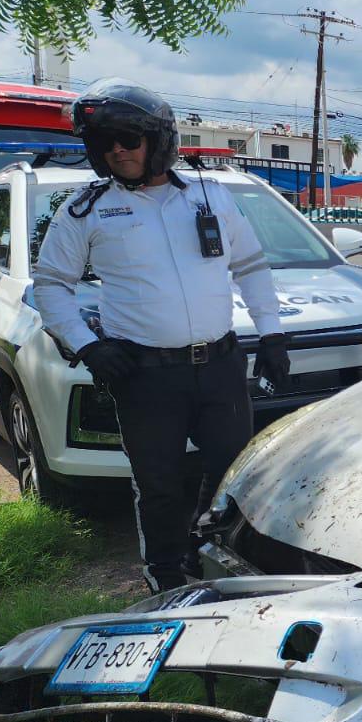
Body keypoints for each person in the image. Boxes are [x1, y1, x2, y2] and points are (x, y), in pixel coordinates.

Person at [32, 79, 291, 591]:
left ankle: (212, 555)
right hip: (145, 378)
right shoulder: (86, 211)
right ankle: (165, 578)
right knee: (159, 486)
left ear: (159, 139)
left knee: (231, 477)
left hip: (219, 368)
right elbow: (51, 286)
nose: (117, 150)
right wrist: (88, 345)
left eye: (128, 138)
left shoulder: (210, 196)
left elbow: (252, 267)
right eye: (104, 143)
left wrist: (274, 335)